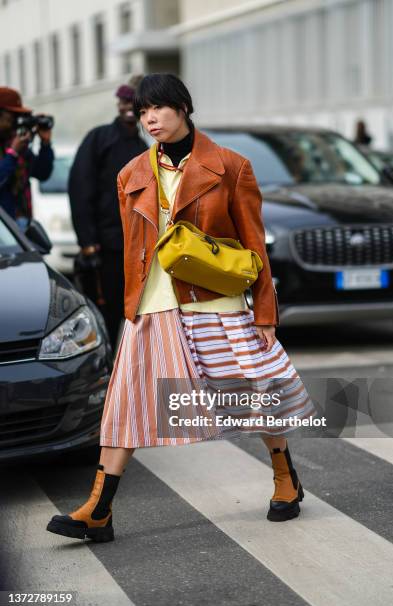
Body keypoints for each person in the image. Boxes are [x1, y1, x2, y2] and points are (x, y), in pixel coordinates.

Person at [47, 73, 316, 543]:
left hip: (216, 301)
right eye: (142, 112)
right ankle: (98, 509)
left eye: (159, 109)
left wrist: (265, 313)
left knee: (256, 395)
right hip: (151, 306)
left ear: (183, 108)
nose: (150, 118)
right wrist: (126, 303)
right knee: (125, 404)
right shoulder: (130, 173)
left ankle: (285, 480)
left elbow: (254, 245)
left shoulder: (231, 166)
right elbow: (134, 248)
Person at [68, 77, 148, 349]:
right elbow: (80, 188)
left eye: (133, 102)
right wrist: (87, 244)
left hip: (135, 247)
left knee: (134, 314)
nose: (127, 106)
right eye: (123, 100)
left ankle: (127, 372)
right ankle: (106, 374)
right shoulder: (99, 138)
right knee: (106, 315)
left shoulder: (142, 146)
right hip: (105, 247)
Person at [0, 87, 54, 229]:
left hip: (22, 225)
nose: (15, 122)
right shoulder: (14, 147)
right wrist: (13, 154)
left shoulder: (15, 143)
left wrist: (45, 144)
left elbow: (42, 173)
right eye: (11, 117)